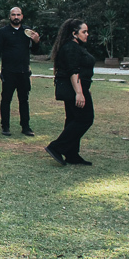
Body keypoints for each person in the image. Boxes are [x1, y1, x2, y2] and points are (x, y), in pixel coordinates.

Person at [45, 18, 95, 166]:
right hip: (75, 89)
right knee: (85, 119)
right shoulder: (71, 48)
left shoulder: (74, 47)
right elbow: (74, 72)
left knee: (73, 119)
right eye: (84, 31)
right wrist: (79, 93)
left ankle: (72, 154)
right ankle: (57, 147)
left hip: (78, 88)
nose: (87, 34)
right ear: (74, 33)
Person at [0, 6, 41, 136]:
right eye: (13, 15)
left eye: (18, 15)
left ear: (22, 16)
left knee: (24, 100)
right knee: (6, 99)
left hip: (24, 72)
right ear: (10, 17)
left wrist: (36, 42)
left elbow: (35, 50)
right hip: (8, 72)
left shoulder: (27, 31)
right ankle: (5, 126)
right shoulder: (3, 32)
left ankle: (25, 127)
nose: (16, 17)